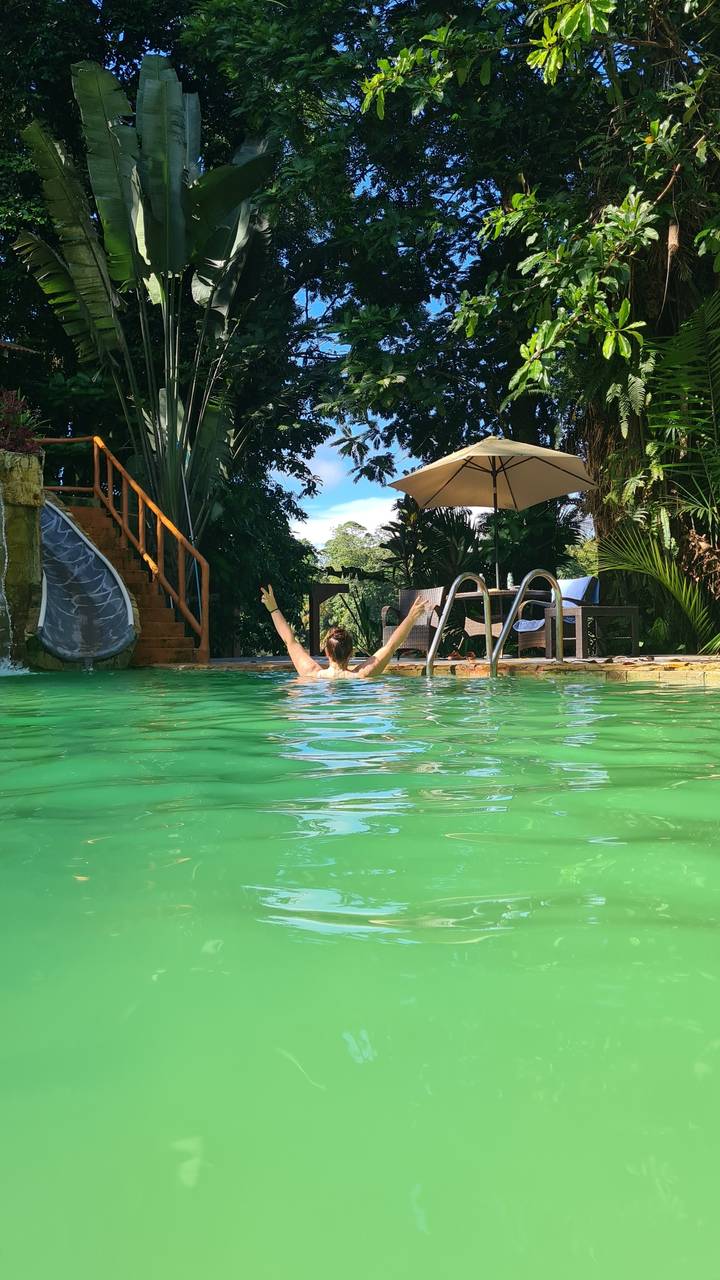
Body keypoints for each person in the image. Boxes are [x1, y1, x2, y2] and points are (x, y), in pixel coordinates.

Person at [259, 584, 433, 680]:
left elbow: (290, 641)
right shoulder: (363, 675)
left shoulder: (311, 674)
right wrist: (411, 617)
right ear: (351, 652)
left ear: (326, 652)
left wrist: (273, 609)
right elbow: (392, 644)